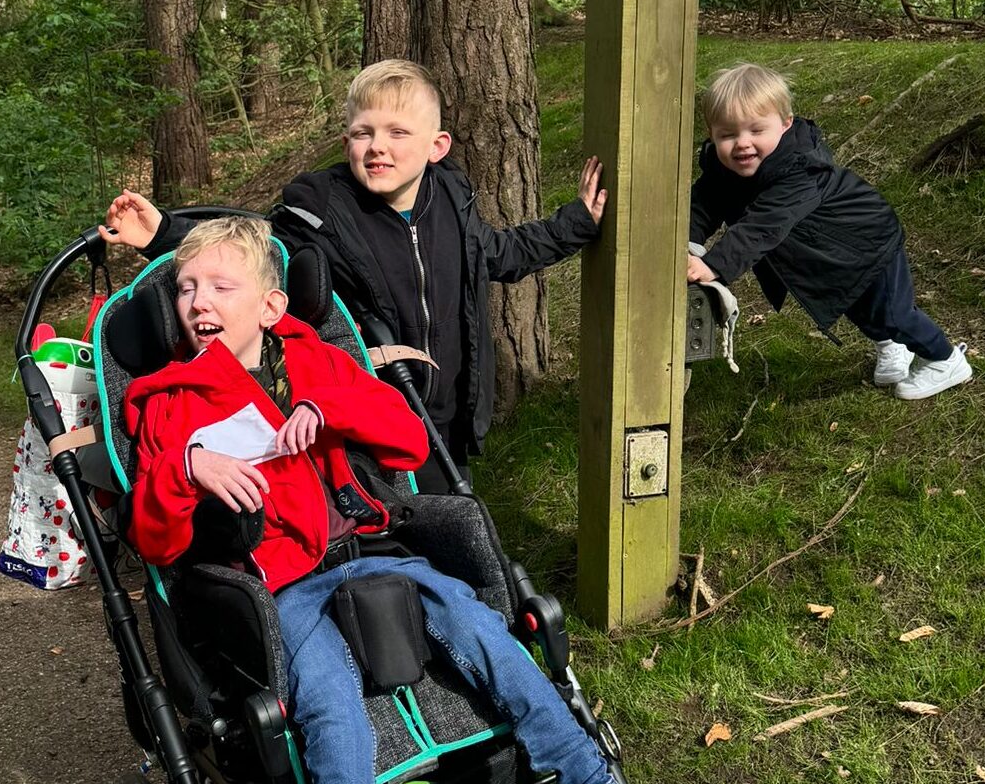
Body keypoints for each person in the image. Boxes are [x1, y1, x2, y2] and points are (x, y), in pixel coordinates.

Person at [124, 216, 726, 784]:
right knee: (332, 724)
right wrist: (192, 464)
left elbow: (404, 443)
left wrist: (336, 409)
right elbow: (156, 536)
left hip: (373, 554)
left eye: (219, 286)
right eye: (184, 290)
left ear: (274, 304)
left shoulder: (313, 356)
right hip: (274, 593)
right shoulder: (166, 396)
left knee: (491, 636)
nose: (198, 302)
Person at [102, 59, 608, 490]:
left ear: (437, 146)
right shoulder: (321, 207)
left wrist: (576, 224)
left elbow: (498, 253)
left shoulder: (452, 198)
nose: (377, 147)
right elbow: (256, 249)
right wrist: (164, 233)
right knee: (400, 525)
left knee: (455, 517)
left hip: (450, 406)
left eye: (397, 133)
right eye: (363, 133)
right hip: (365, 408)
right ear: (347, 140)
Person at [686, 63, 972, 400]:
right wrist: (688, 241)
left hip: (867, 238)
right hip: (828, 252)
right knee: (853, 304)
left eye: (756, 130)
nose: (742, 144)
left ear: (785, 123)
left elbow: (763, 225)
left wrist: (714, 265)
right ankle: (891, 344)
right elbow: (703, 203)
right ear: (712, 133)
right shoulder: (726, 170)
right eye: (728, 135)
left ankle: (946, 359)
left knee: (893, 311)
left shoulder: (800, 169)